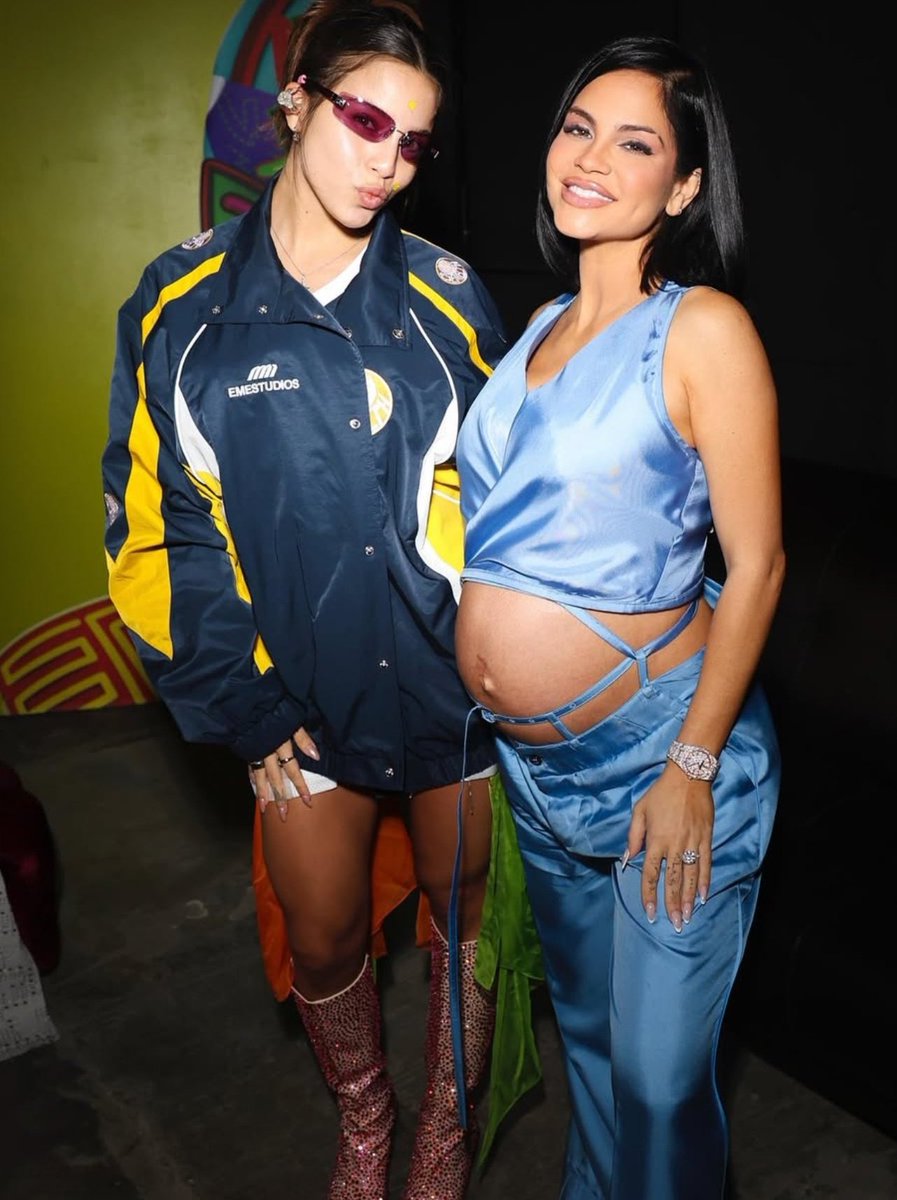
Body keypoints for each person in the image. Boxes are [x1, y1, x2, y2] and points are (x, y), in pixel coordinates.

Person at [101, 3, 510, 1196]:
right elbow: (151, 522)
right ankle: (367, 1117)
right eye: (365, 117)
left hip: (452, 687)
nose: (386, 159)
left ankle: (444, 1119)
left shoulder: (448, 297)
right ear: (297, 106)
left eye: (415, 142)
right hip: (300, 703)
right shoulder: (182, 312)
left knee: (467, 914)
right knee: (326, 935)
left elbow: (503, 498)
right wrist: (236, 689)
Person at [455, 34, 785, 1200]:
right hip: (540, 779)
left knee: (654, 1082)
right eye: (576, 128)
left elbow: (757, 569)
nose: (590, 157)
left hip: (667, 760)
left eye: (635, 141)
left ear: (686, 187)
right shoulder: (535, 330)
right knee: (588, 1047)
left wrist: (694, 763)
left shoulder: (702, 330)